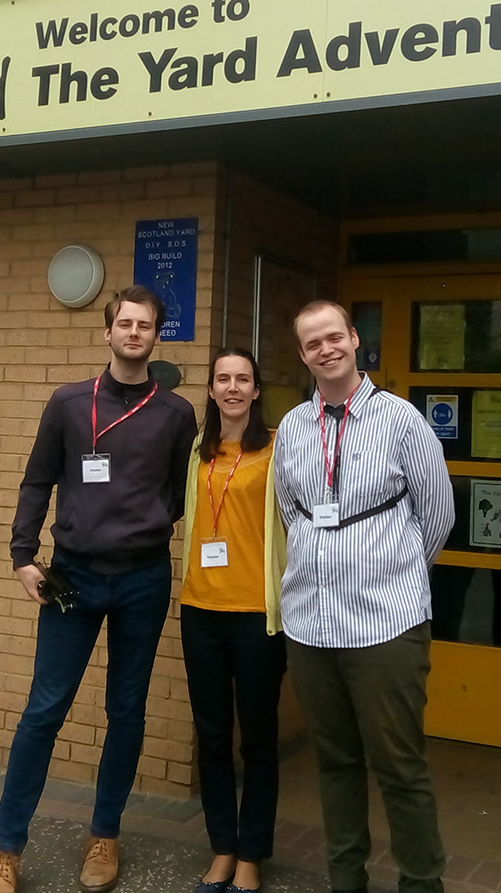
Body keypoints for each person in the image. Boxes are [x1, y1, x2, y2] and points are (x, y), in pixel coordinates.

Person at [0, 285, 198, 893]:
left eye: (145, 325)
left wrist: (141, 522)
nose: (134, 333)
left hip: (143, 579)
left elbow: (180, 496)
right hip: (70, 577)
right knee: (44, 711)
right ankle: (7, 849)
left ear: (158, 336)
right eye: (124, 324)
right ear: (107, 333)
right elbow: (36, 480)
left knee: (126, 711)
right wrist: (23, 555)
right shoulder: (70, 403)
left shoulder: (177, 413)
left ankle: (105, 833)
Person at [271, 299, 455, 893]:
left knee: (400, 769)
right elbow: (290, 512)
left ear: (354, 340)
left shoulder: (401, 420)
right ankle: (345, 879)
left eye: (334, 337)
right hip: (310, 627)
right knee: (337, 764)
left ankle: (422, 883)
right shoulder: (294, 428)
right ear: (302, 355)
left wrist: (389, 572)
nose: (325, 349)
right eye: (312, 343)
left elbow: (438, 515)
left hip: (387, 626)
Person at [178, 348, 288, 893]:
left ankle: (252, 854)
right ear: (212, 388)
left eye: (243, 378)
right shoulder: (197, 449)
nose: (233, 387)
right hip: (200, 611)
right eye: (223, 379)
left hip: (257, 616)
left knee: (258, 738)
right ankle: (222, 847)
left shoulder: (276, 450)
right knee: (212, 736)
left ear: (257, 389)